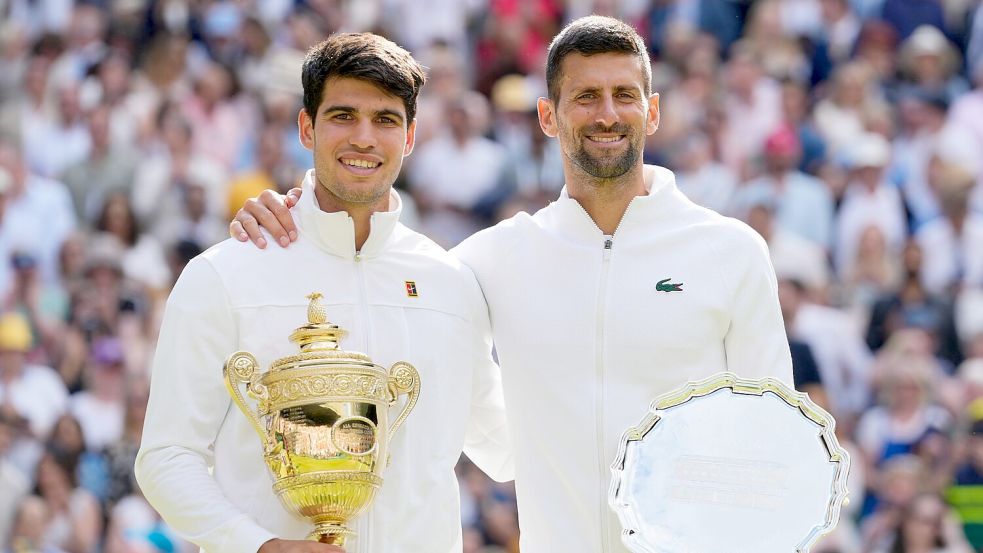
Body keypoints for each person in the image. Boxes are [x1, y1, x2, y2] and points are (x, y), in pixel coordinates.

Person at [233, 16, 793, 553]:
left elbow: (776, 442)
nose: (607, 114)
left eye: (624, 95)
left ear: (652, 113)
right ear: (548, 116)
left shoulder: (731, 252)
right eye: (585, 97)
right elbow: (370, 275)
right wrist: (292, 219)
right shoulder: (486, 260)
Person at [135, 33, 513, 553]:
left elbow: (506, 448)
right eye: (343, 116)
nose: (363, 137)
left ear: (409, 136)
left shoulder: (450, 282)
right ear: (306, 126)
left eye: (385, 119)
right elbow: (166, 457)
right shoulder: (225, 273)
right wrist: (261, 546)